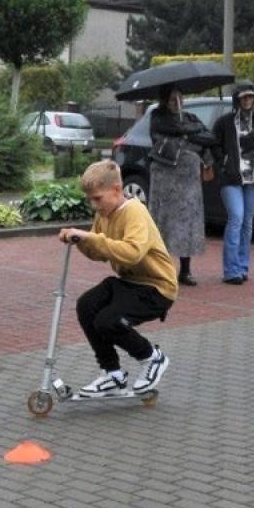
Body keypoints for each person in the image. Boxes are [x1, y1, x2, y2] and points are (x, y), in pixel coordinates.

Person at [60, 160, 177, 397]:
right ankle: (112, 374)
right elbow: (99, 253)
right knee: (87, 305)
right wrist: (81, 241)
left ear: (115, 190)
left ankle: (152, 358)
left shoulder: (135, 212)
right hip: (130, 282)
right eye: (90, 200)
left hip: (157, 288)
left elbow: (132, 253)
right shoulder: (105, 213)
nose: (94, 205)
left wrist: (89, 237)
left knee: (107, 320)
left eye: (97, 198)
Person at [147, 84, 217, 285]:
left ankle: (185, 271)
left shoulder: (190, 118)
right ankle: (160, 268)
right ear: (164, 100)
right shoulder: (157, 117)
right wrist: (188, 136)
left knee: (187, 223)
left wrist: (185, 135)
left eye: (180, 97)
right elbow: (168, 134)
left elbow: (209, 138)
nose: (177, 102)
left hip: (188, 181)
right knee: (164, 222)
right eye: (172, 98)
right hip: (165, 180)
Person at [211, 79, 254, 284]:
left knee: (247, 223)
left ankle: (243, 266)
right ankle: (231, 271)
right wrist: (224, 163)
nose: (247, 100)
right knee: (236, 218)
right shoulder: (225, 122)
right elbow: (215, 146)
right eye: (243, 97)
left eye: (251, 97)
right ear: (237, 100)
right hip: (231, 178)